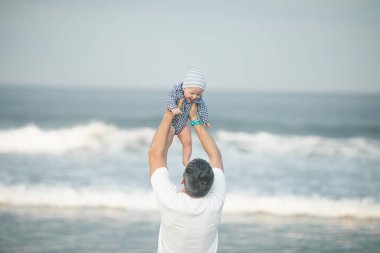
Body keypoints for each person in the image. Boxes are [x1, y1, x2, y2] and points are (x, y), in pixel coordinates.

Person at [148, 98, 226, 253]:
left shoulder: (171, 202)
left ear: (183, 179)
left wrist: (168, 116)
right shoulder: (215, 204)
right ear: (212, 183)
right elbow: (215, 156)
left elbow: (155, 154)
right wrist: (194, 118)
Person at [166, 68, 211, 166]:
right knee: (168, 141)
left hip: (182, 125)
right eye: (192, 93)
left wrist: (205, 119)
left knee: (188, 142)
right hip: (172, 123)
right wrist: (173, 108)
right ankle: (164, 157)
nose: (195, 97)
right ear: (184, 88)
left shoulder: (197, 98)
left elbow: (202, 107)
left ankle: (185, 161)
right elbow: (169, 98)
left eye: (198, 94)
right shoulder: (177, 92)